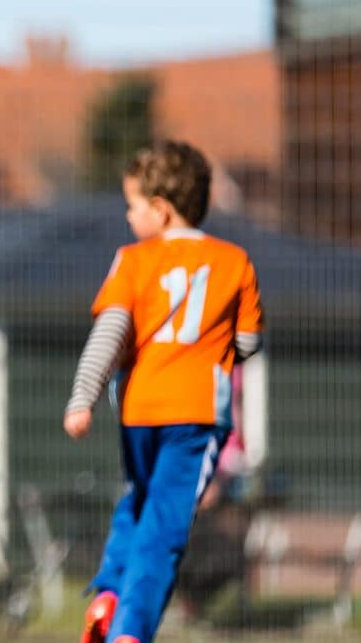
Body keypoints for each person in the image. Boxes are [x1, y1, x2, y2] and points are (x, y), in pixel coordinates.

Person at [63, 140, 264, 643]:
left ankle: (109, 594)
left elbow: (108, 335)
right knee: (166, 528)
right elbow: (248, 342)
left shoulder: (132, 261)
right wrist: (214, 351)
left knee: (140, 500)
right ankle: (131, 631)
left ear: (160, 208)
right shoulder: (234, 261)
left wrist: (82, 398)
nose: (128, 217)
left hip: (140, 408)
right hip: (195, 414)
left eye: (131, 206)